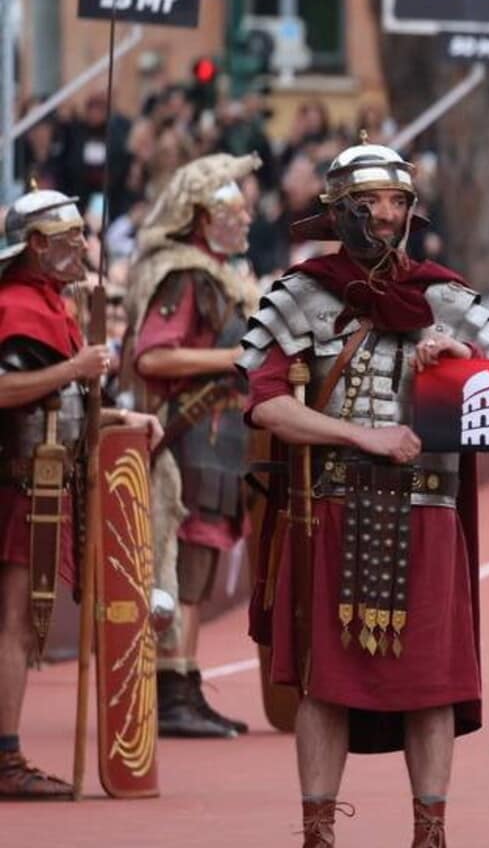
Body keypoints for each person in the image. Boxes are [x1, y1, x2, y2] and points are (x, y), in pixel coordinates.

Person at [236, 140, 489, 847]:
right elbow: (267, 405)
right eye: (369, 203)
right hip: (331, 508)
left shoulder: (448, 299)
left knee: (434, 682)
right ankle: (319, 835)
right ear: (338, 212)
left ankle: (430, 834)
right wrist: (362, 436)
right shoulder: (300, 295)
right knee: (325, 681)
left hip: (429, 509)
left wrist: (460, 362)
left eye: (397, 202)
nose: (386, 215)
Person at [0, 188, 161, 797]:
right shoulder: (18, 305)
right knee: (14, 623)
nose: (84, 249)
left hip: (41, 483)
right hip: (19, 485)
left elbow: (63, 404)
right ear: (37, 244)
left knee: (17, 623)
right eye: (72, 240)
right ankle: (5, 757)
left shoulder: (50, 304)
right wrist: (75, 368)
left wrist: (121, 419)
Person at [125, 153, 265, 739]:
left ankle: (185, 683)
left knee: (200, 568)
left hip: (221, 439)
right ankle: (168, 691)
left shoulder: (224, 277)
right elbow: (153, 356)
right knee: (180, 566)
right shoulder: (183, 277)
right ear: (202, 217)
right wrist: (233, 357)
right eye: (234, 211)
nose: (246, 219)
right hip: (188, 441)